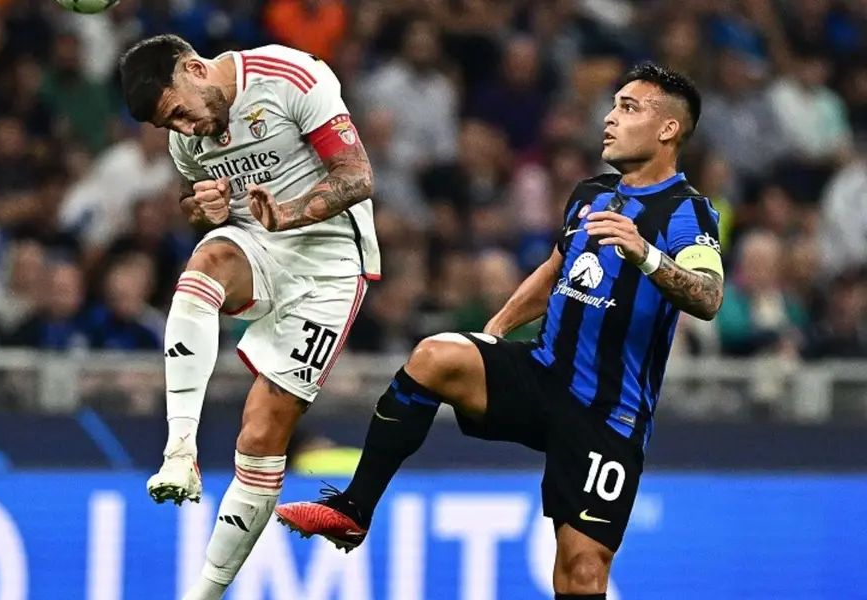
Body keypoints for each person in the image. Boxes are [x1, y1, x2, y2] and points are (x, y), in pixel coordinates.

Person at [275, 63, 724, 600]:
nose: (609, 117)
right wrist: (497, 328)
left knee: (580, 572)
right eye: (614, 104)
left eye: (629, 107)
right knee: (436, 355)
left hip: (609, 417)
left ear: (669, 129)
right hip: (543, 374)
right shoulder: (590, 194)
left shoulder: (688, 213)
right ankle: (354, 509)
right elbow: (557, 267)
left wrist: (647, 254)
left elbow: (708, 295)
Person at [119, 34, 379, 600]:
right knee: (207, 260)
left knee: (262, 434)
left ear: (194, 69)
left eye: (180, 113)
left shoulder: (291, 77)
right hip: (257, 245)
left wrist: (290, 211)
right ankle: (179, 452)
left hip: (331, 263)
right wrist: (200, 208)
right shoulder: (188, 141)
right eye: (170, 126)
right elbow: (199, 204)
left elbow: (358, 176)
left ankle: (204, 594)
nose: (185, 130)